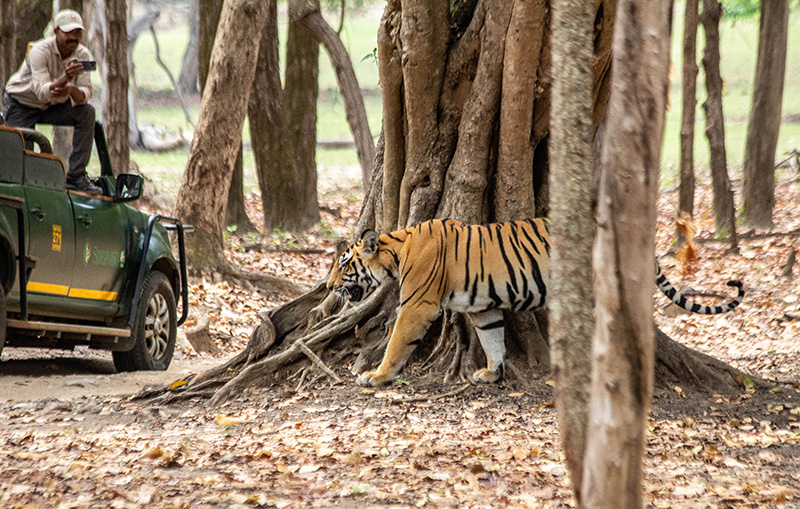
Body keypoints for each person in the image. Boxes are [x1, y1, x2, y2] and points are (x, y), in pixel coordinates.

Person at [2, 9, 101, 194]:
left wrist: (72, 89)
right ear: (56, 32)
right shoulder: (39, 51)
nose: (73, 37)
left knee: (87, 112)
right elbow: (42, 92)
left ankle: (76, 177)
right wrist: (66, 78)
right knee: (20, 164)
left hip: (54, 104)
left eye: (77, 33)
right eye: (68, 33)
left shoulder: (82, 53)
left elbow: (86, 93)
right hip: (22, 103)